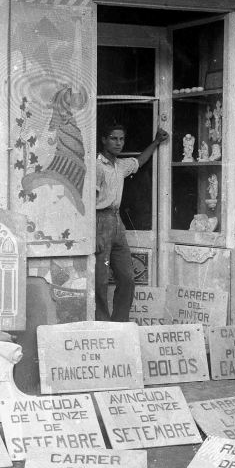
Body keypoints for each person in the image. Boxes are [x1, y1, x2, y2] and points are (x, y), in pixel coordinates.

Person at [95, 123, 169, 321]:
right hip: (99, 220)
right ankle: (102, 323)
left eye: (121, 139)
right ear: (104, 140)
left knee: (127, 277)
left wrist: (156, 142)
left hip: (116, 221)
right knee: (100, 279)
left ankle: (119, 323)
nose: (118, 143)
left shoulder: (120, 165)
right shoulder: (97, 165)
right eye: (113, 138)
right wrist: (92, 231)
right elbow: (88, 200)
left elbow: (140, 161)